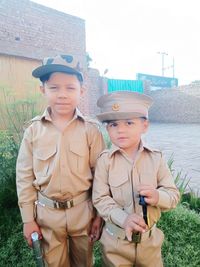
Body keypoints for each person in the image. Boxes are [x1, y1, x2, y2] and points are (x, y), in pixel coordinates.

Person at [16, 54, 105, 267]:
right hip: (47, 216)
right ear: (43, 90)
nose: (62, 95)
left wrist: (99, 215)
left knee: (84, 262)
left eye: (70, 88)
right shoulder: (33, 131)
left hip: (83, 212)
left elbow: (102, 176)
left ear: (81, 91)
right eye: (54, 88)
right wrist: (28, 219)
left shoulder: (91, 130)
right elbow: (24, 177)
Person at [92, 91, 180, 267]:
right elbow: (100, 199)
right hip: (115, 243)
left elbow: (173, 195)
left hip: (149, 244)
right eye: (114, 124)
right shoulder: (105, 161)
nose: (121, 130)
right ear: (107, 128)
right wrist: (123, 219)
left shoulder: (156, 158)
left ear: (144, 126)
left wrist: (157, 196)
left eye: (129, 123)